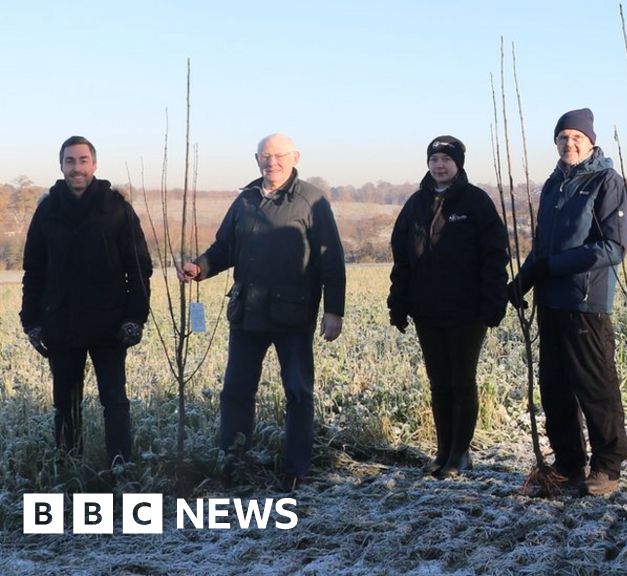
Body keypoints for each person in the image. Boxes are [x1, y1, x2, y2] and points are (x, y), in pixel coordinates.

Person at [179, 133, 346, 491]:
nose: (272, 162)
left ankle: (297, 470)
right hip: (247, 314)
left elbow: (331, 259)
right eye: (264, 156)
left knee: (298, 392)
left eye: (279, 156)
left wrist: (334, 311)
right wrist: (201, 267)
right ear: (256, 160)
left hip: (293, 316)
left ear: (295, 157)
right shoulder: (245, 200)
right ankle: (231, 466)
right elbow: (225, 247)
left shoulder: (312, 201)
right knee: (235, 392)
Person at [509, 108, 627, 496]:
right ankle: (568, 464)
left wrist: (554, 267)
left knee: (595, 387)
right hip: (551, 303)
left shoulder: (606, 181)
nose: (569, 142)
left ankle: (608, 465)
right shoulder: (552, 185)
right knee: (555, 388)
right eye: (562, 136)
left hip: (585, 302)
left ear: (591, 141)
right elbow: (541, 247)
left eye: (576, 136)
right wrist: (523, 281)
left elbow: (612, 247)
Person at [20, 135, 153, 468]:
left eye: (82, 160)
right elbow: (34, 270)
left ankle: (121, 469)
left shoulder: (117, 209)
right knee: (66, 403)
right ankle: (69, 471)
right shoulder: (47, 211)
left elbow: (138, 269)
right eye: (69, 161)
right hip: (60, 322)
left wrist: (134, 318)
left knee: (115, 402)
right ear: (61, 165)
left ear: (94, 164)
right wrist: (32, 321)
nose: (76, 168)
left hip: (109, 323)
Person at [387, 136, 509, 479]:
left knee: (461, 379)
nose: (440, 165)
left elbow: (495, 253)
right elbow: (402, 259)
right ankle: (442, 451)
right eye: (434, 158)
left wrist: (494, 299)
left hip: (467, 310)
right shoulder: (415, 204)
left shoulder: (475, 202)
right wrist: (398, 303)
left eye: (446, 159)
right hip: (427, 309)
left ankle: (460, 453)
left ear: (459, 163)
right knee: (438, 381)